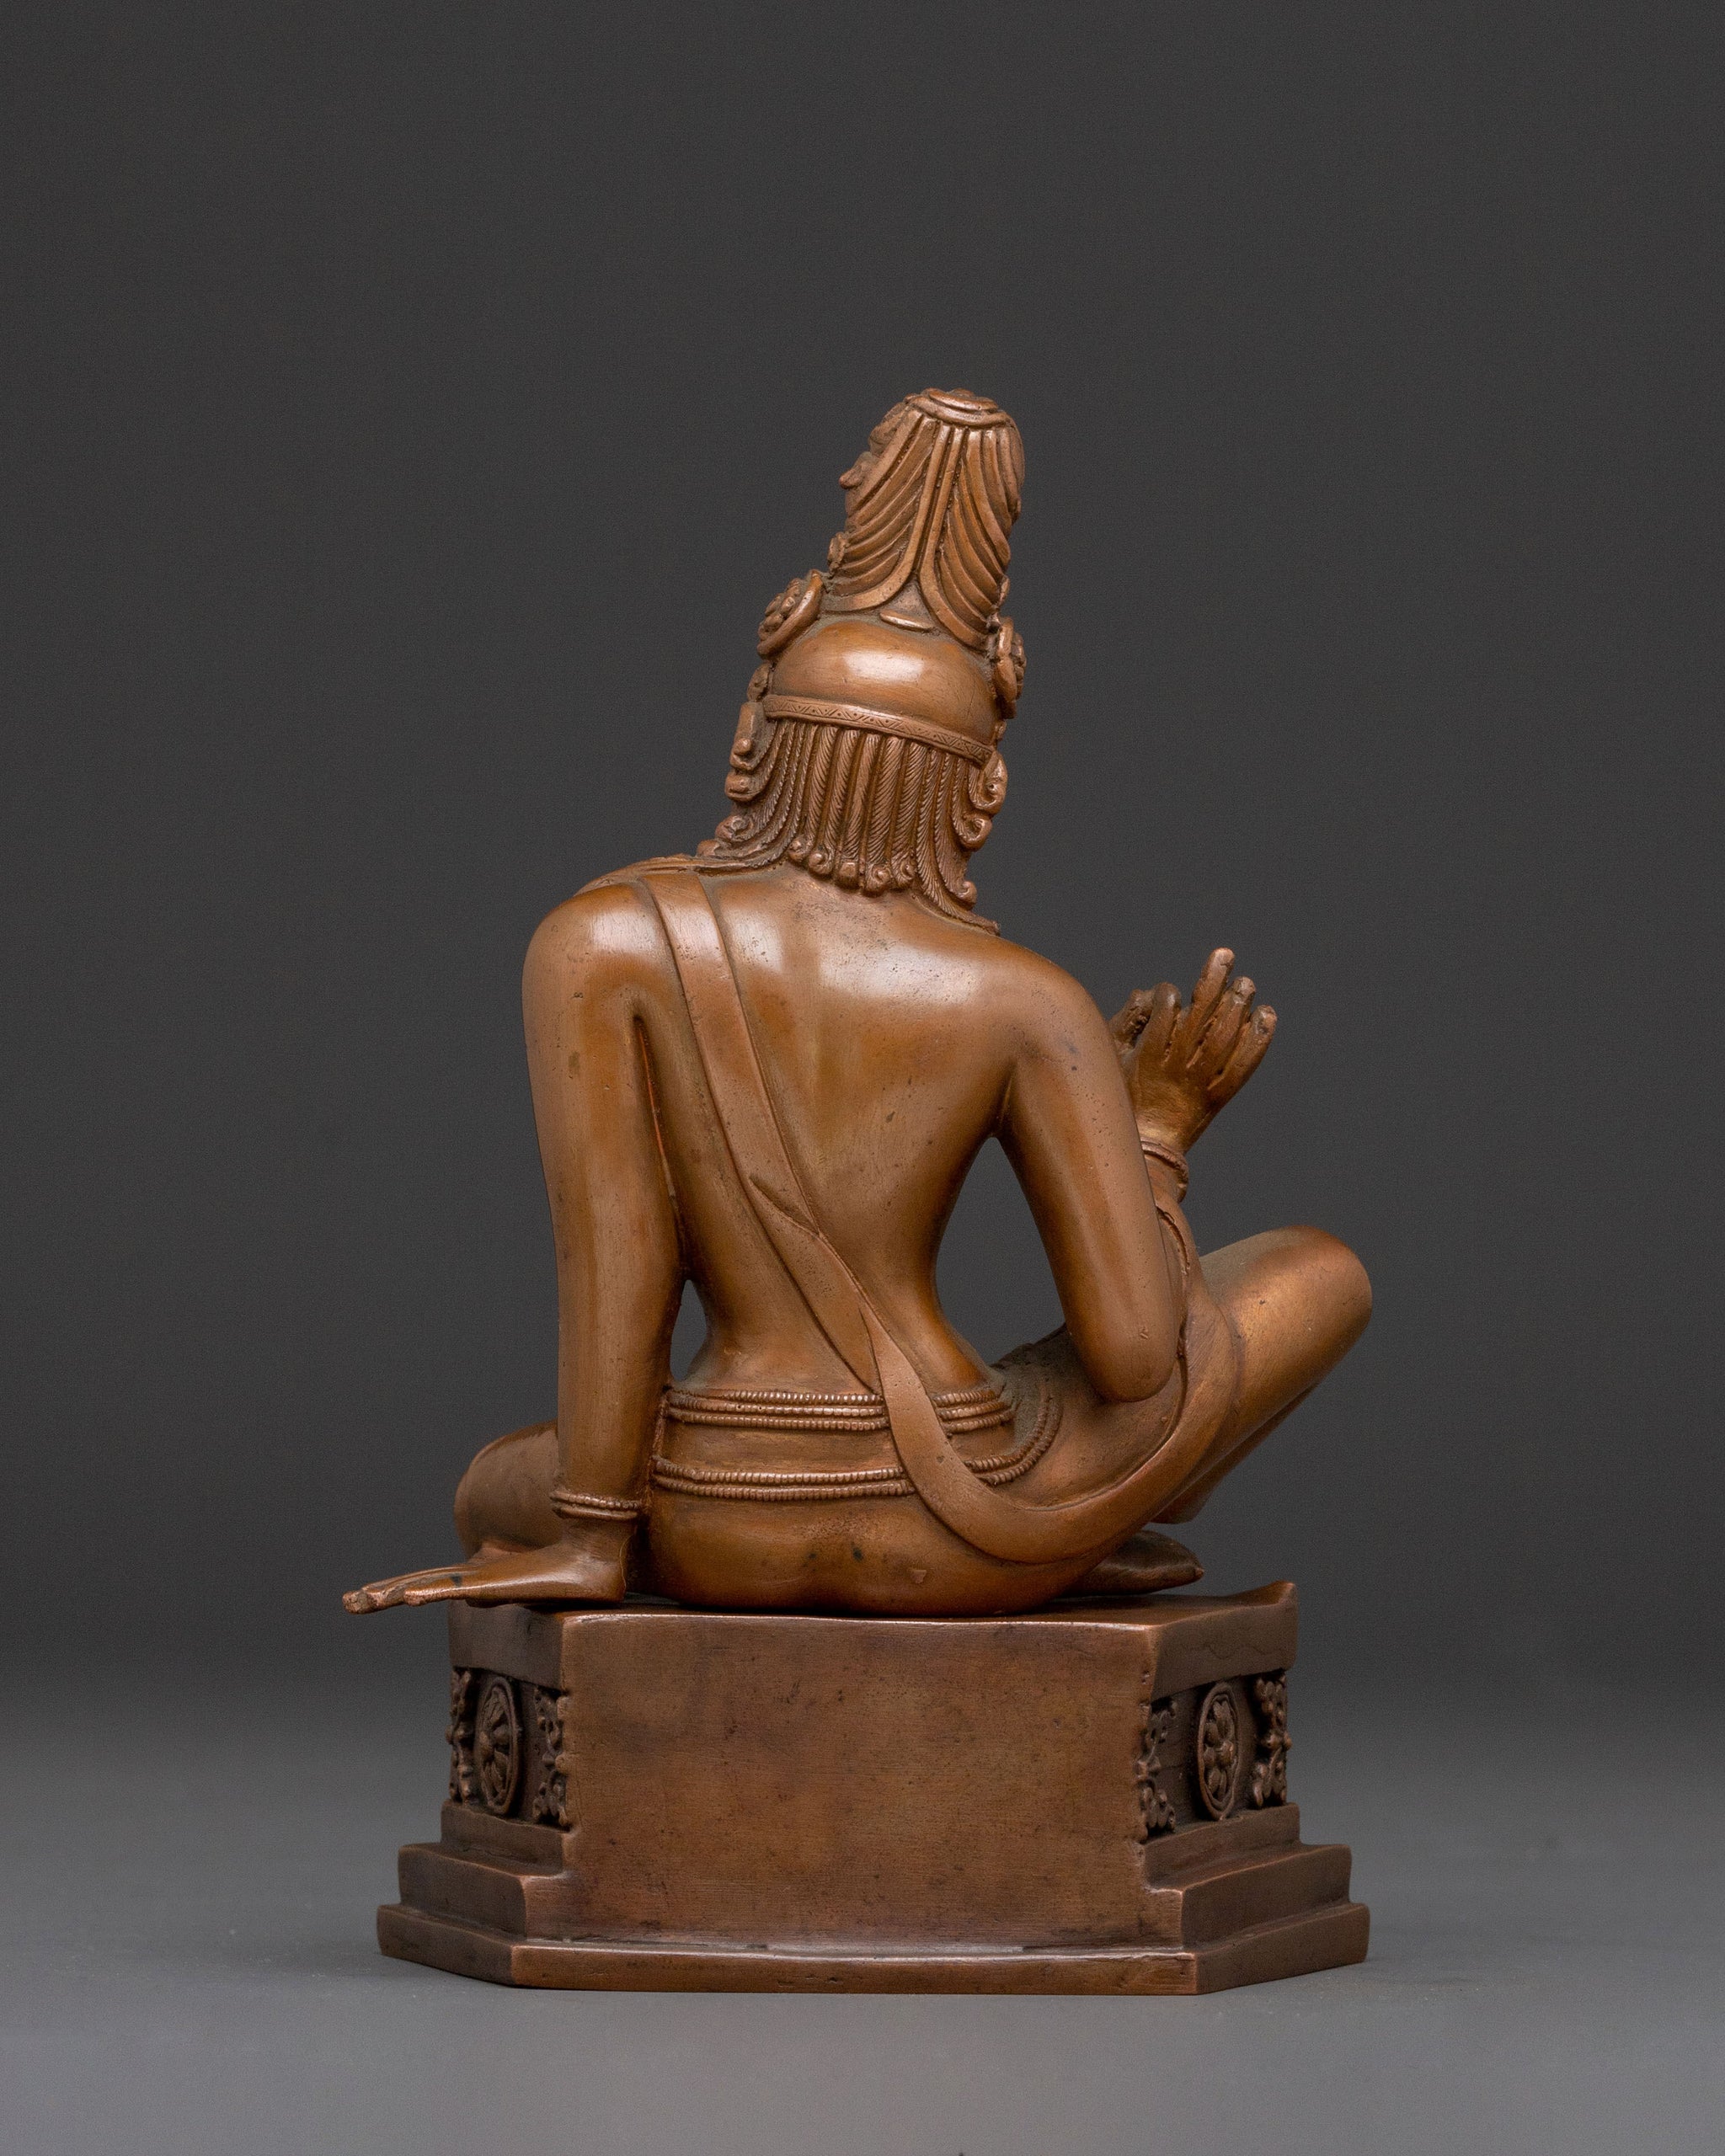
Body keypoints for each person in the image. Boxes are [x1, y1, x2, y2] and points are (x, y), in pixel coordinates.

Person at [346, 390, 1370, 1620]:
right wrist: (1154, 1132)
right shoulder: (1027, 1002)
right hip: (958, 1514)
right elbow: (1139, 1359)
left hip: (720, 1514)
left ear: (754, 737)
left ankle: (610, 1520)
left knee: (488, 1482)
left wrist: (591, 1537)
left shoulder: (599, 944)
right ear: (979, 792)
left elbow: (620, 1265)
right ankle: (1077, 1532)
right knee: (1319, 1273)